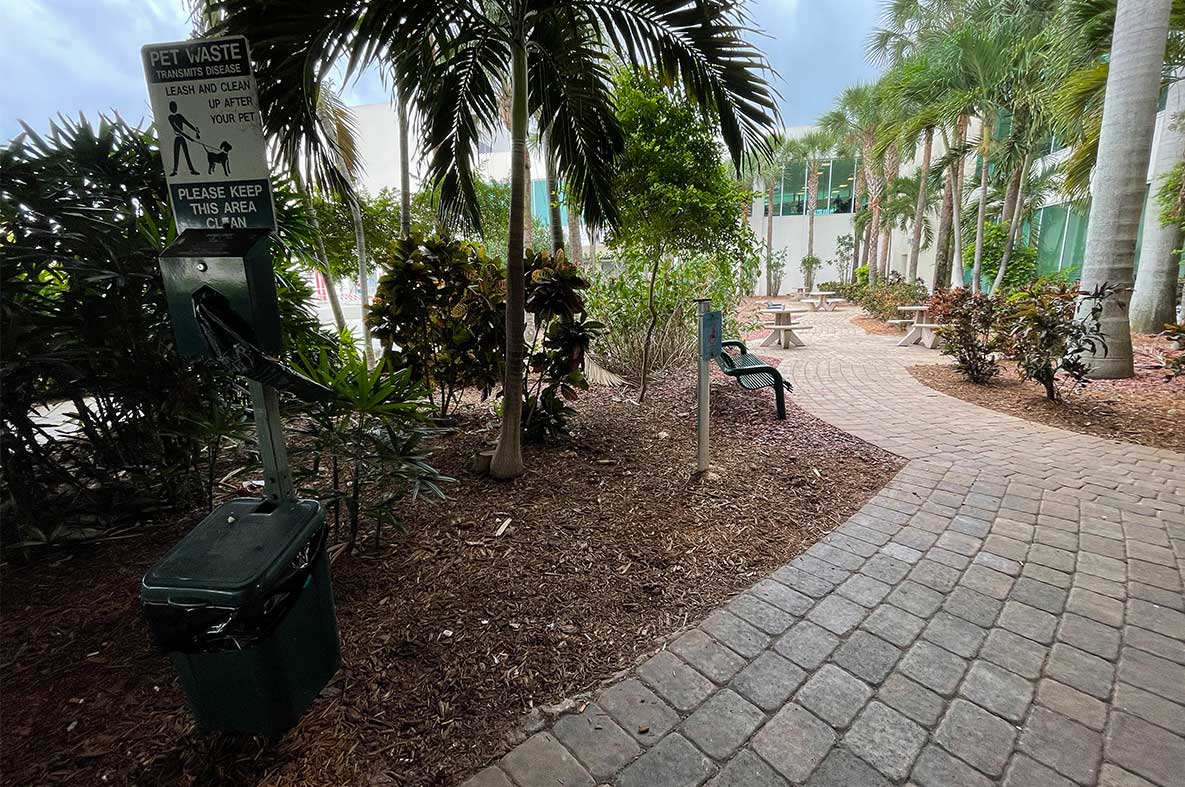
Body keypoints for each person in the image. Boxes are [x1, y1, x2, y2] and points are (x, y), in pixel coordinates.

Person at [167, 101, 201, 176]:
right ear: (170, 108)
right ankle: (175, 171)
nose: (174, 108)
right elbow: (176, 129)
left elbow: (187, 123)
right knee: (176, 154)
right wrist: (188, 137)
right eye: (172, 107)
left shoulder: (179, 116)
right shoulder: (170, 117)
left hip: (182, 138)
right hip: (177, 138)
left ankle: (192, 170)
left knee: (186, 154)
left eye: (175, 107)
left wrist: (195, 130)